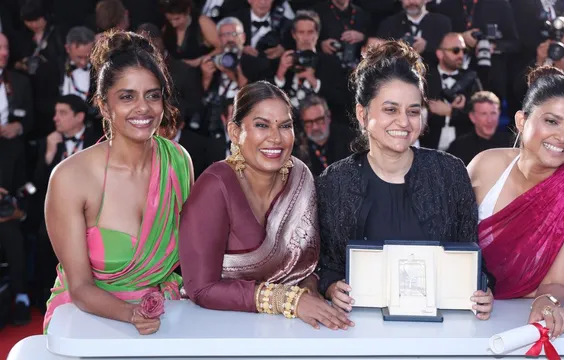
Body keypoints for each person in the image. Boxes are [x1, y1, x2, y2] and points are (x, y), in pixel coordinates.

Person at [315, 40, 494, 323]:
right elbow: (326, 266)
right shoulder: (334, 182)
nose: (404, 122)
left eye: (413, 111)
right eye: (390, 110)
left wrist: (484, 291)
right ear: (363, 115)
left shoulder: (450, 173)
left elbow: (472, 257)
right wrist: (331, 287)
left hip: (442, 332)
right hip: (359, 329)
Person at [43, 30, 194, 334]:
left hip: (164, 314)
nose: (143, 108)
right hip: (86, 321)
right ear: (104, 105)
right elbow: (81, 288)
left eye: (153, 95)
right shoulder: (71, 177)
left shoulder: (178, 161)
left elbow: (195, 253)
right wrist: (131, 314)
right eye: (127, 97)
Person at [179, 81, 352, 331]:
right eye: (262, 125)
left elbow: (305, 266)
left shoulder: (300, 177)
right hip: (218, 329)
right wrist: (288, 301)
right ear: (235, 132)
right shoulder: (215, 186)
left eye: (285, 126)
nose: (276, 137)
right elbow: (201, 288)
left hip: (289, 330)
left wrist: (309, 290)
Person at [468, 66, 564, 341]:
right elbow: (450, 246)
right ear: (521, 120)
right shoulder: (485, 165)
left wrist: (547, 301)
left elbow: (557, 281)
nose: (563, 137)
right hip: (469, 318)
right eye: (552, 121)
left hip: (527, 327)